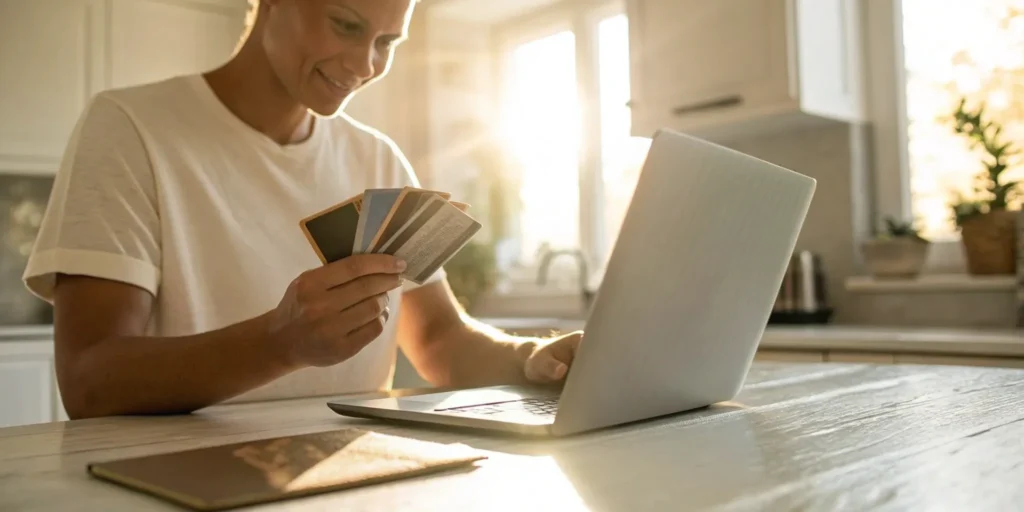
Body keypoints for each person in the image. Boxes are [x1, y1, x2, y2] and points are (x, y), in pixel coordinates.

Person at [22, 0, 582, 420]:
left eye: (388, 41)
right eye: (346, 24)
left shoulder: (377, 158)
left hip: (358, 476)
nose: (365, 63)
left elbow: (438, 339)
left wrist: (531, 358)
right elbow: (89, 382)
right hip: (178, 481)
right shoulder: (130, 128)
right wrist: (279, 343)